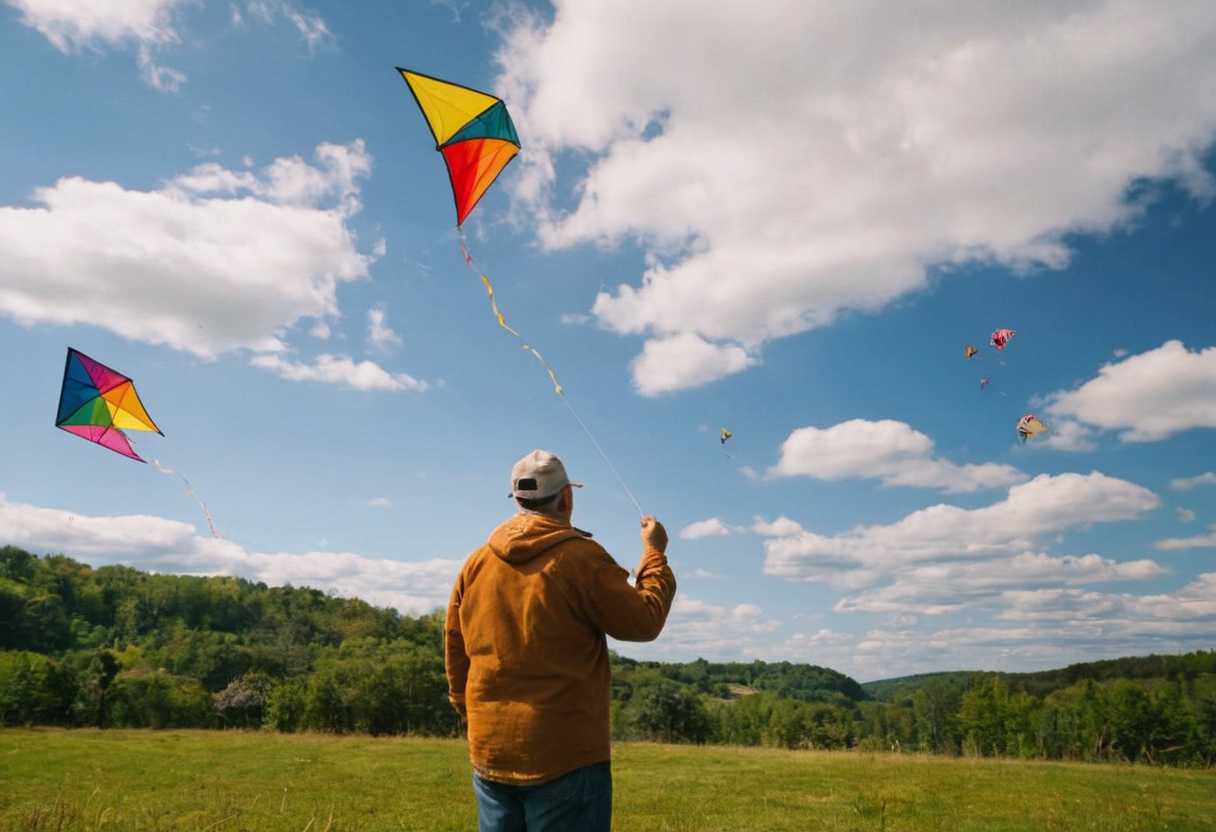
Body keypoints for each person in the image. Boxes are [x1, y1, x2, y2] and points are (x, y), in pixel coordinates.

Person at [445, 449, 676, 832]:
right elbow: (644, 620)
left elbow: (456, 646)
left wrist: (469, 710)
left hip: (489, 749)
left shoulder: (476, 562)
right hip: (566, 755)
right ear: (566, 498)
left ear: (518, 500)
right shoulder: (582, 559)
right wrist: (654, 554)